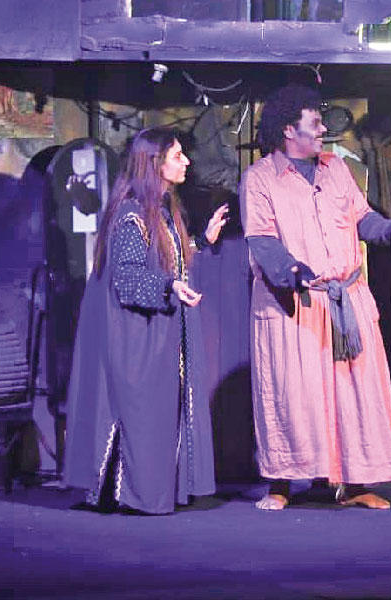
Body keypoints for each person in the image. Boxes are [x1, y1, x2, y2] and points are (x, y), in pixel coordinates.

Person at [239, 84, 391, 511]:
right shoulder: (260, 178)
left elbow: (363, 219)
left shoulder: (337, 169)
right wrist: (292, 271)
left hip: (345, 300)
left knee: (352, 394)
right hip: (295, 305)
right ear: (289, 130)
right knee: (293, 395)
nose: (323, 129)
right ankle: (282, 483)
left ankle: (354, 485)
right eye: (315, 122)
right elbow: (262, 238)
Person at [64, 127, 229, 515]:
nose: (186, 161)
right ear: (154, 164)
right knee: (138, 413)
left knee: (159, 412)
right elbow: (128, 279)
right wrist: (170, 286)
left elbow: (164, 258)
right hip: (136, 335)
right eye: (177, 156)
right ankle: (127, 495)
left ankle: (143, 492)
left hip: (157, 329)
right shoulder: (131, 215)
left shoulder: (161, 210)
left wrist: (202, 242)